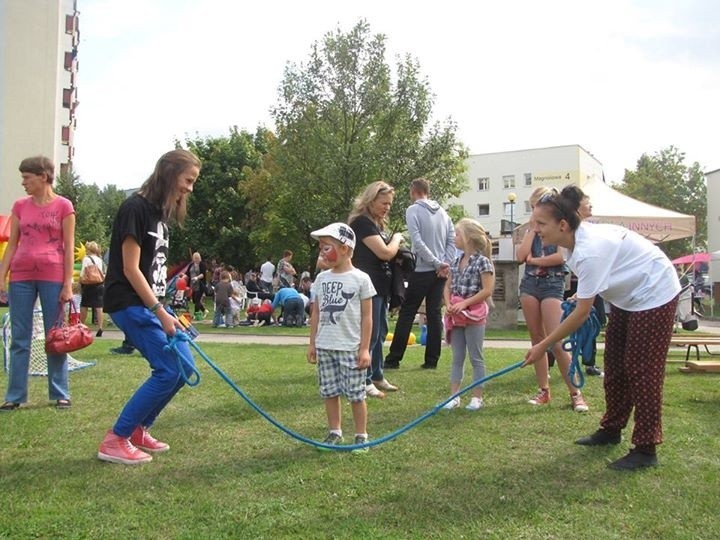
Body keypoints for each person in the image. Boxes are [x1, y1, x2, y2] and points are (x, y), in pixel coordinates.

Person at [524, 185, 681, 470]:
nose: (536, 230)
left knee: (640, 368)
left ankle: (646, 449)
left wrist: (544, 345)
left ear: (562, 224)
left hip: (655, 290)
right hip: (627, 297)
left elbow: (583, 313)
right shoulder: (569, 244)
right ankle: (611, 430)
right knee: (615, 363)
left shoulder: (589, 251)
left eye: (540, 224)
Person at [97, 149, 201, 464]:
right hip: (129, 302)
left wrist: (168, 312)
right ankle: (115, 439)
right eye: (188, 180)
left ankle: (141, 428)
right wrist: (158, 311)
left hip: (150, 303)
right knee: (168, 369)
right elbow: (130, 269)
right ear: (169, 173)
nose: (190, 189)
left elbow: (154, 273)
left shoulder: (159, 215)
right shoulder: (135, 209)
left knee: (184, 368)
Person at [0, 156, 75, 411]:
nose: (23, 183)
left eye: (27, 178)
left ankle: (60, 392)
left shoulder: (64, 206)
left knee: (55, 336)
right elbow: (12, 244)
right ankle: (14, 396)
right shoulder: (20, 206)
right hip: (20, 276)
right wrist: (2, 275)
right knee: (19, 338)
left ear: (43, 177)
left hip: (52, 275)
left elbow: (68, 247)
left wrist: (68, 284)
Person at [517, 186, 588, 413]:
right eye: (532, 209)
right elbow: (520, 257)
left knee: (556, 342)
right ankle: (543, 390)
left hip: (552, 284)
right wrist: (531, 229)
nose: (534, 214)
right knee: (537, 340)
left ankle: (576, 393)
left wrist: (536, 261)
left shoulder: (558, 226)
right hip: (529, 284)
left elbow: (560, 257)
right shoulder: (533, 229)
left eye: (537, 207)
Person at [307, 222, 375, 450]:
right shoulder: (321, 279)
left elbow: (367, 317)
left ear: (344, 248)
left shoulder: (361, 279)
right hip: (325, 347)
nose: (322, 253)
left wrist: (364, 348)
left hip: (351, 348)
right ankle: (334, 432)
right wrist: (312, 344)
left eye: (327, 247)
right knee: (329, 392)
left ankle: (361, 435)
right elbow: (315, 313)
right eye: (321, 248)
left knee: (356, 395)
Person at [385, 178, 455, 370]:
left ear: (413, 190)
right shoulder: (443, 213)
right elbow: (452, 239)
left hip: (423, 268)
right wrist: (444, 263)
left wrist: (436, 262)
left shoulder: (413, 210)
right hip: (439, 272)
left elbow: (416, 241)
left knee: (407, 312)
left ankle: (393, 359)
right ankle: (432, 361)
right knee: (433, 313)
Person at [349, 181, 404, 397]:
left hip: (379, 285)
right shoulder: (362, 223)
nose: (387, 208)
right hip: (366, 285)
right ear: (371, 200)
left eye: (390, 204)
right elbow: (384, 253)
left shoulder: (375, 224)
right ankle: (364, 379)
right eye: (384, 203)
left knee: (380, 332)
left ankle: (377, 375)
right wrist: (398, 239)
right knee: (369, 334)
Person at [442, 219, 495, 411]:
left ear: (468, 238)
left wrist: (465, 303)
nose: (454, 238)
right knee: (457, 356)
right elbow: (447, 286)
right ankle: (454, 396)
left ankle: (476, 397)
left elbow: (487, 290)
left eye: (457, 234)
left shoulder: (483, 262)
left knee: (476, 357)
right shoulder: (455, 261)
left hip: (474, 316)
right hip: (456, 316)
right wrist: (449, 304)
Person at [565, 193, 605, 377]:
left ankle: (589, 362)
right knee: (574, 324)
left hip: (592, 287)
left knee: (591, 323)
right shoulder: (571, 237)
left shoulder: (590, 238)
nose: (590, 204)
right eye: (586, 201)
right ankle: (567, 360)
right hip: (577, 287)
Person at [79, 241, 106, 337]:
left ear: (88, 250)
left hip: (88, 285)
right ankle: (100, 327)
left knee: (84, 305)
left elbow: (83, 272)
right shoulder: (99, 259)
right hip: (99, 284)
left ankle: (81, 325)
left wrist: (80, 280)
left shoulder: (86, 259)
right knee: (99, 306)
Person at [188, 252, 207, 318]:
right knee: (194, 300)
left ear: (199, 258)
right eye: (195, 258)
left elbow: (203, 274)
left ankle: (196, 314)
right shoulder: (191, 265)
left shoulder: (202, 264)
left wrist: (197, 277)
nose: (196, 259)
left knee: (197, 299)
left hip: (200, 285)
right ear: (193, 258)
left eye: (197, 258)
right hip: (192, 285)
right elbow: (187, 273)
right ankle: (204, 310)